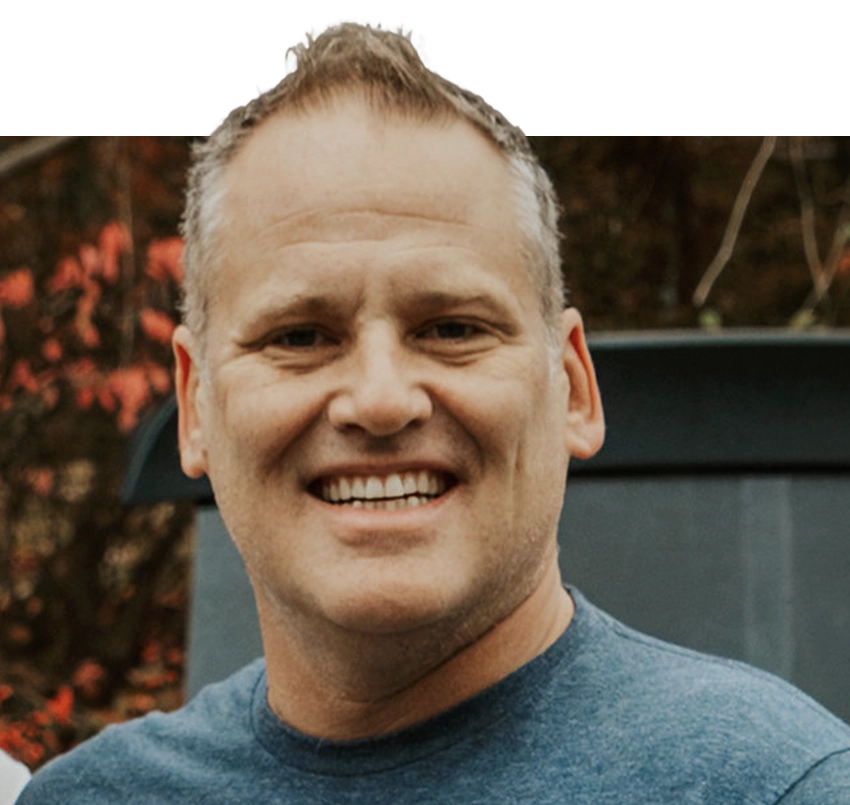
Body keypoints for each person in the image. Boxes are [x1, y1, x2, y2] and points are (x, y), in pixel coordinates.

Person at [17, 20, 850, 804]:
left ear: (573, 386)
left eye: (452, 328)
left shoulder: (777, 785)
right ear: (195, 405)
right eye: (300, 336)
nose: (381, 399)